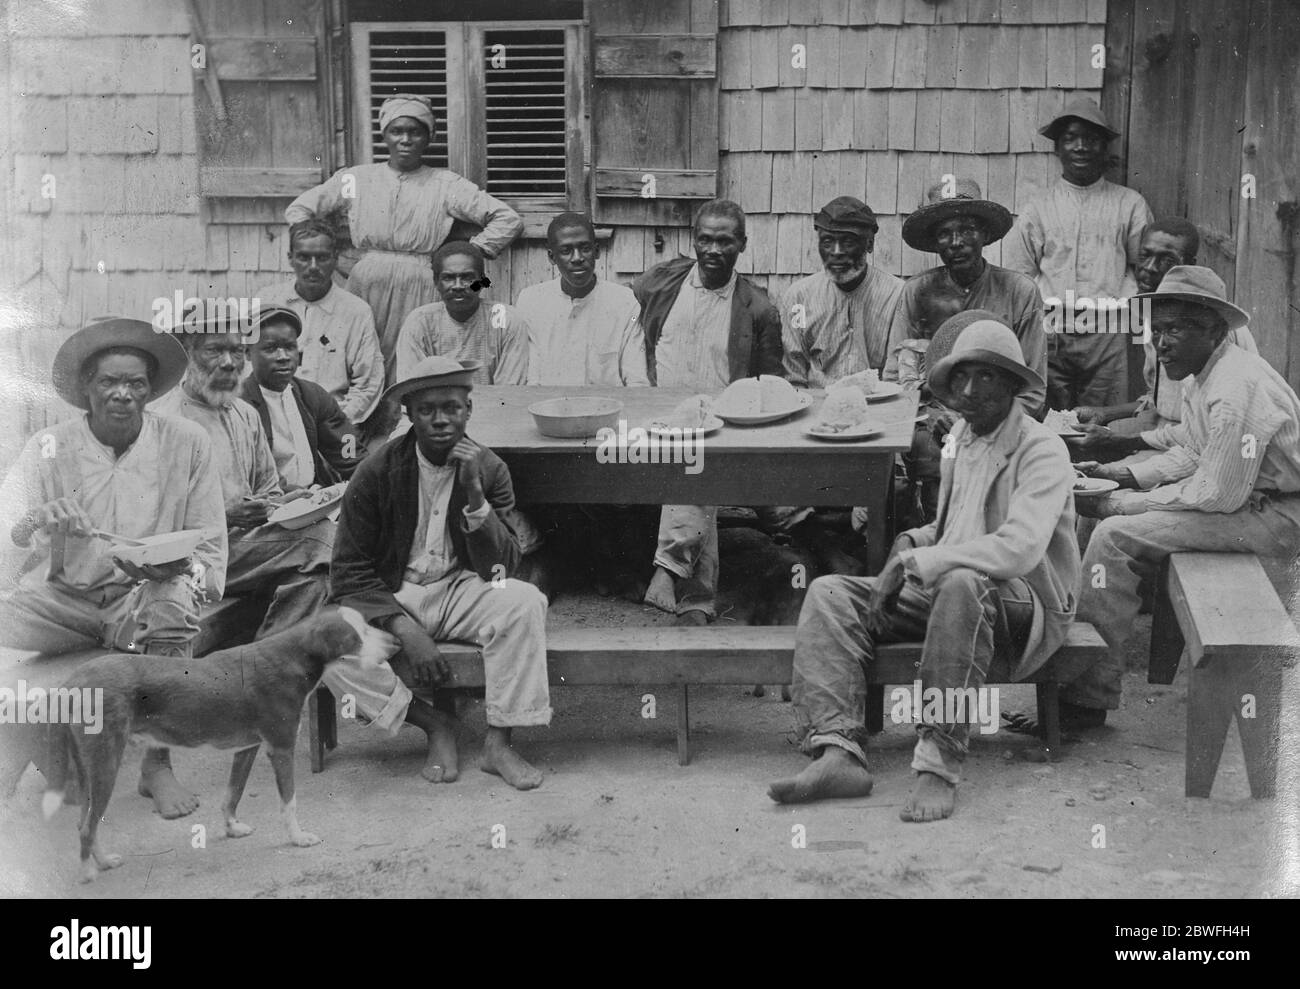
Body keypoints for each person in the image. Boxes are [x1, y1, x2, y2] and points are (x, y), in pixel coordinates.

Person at [768, 320, 1079, 821]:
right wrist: (910, 546)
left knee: (958, 583)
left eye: (988, 379)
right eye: (962, 378)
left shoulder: (1042, 449)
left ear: (1014, 386)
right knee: (830, 593)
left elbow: (1018, 550)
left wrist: (919, 561)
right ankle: (837, 750)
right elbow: (950, 528)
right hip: (961, 591)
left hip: (1026, 603)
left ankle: (938, 765)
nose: (970, 391)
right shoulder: (961, 435)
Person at [1053, 266, 1300, 728]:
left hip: (1279, 516)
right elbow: (1191, 450)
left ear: (1213, 329)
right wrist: (1120, 474)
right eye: (1157, 330)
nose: (1161, 343)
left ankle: (1084, 700)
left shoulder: (1236, 385)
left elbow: (1217, 493)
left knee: (1113, 534)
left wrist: (1120, 502)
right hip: (1248, 503)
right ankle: (1077, 671)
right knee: (1096, 521)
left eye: (1176, 329)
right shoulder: (1202, 373)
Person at [0, 318, 226, 818]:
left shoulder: (186, 442)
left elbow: (210, 546)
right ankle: (26, 744)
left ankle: (157, 766)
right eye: (108, 382)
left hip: (140, 605)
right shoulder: (48, 446)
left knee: (170, 606)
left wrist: (180, 575)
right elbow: (4, 537)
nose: (122, 394)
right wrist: (35, 519)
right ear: (86, 388)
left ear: (150, 390)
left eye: (135, 383)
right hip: (65, 606)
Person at [329, 356, 550, 789]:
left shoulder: (489, 468)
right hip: (394, 594)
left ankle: (499, 743)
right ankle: (434, 724)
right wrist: (405, 630)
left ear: (469, 409)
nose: (441, 420)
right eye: (427, 410)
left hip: (459, 589)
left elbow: (502, 567)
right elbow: (349, 570)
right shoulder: (377, 471)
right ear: (408, 415)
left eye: (451, 407)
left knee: (525, 601)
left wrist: (473, 493)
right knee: (329, 648)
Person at [285, 95, 523, 384]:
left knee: (411, 357)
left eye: (415, 131)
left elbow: (507, 219)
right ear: (384, 134)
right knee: (359, 351)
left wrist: (470, 251)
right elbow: (300, 209)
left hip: (420, 282)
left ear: (429, 137)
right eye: (397, 131)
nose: (406, 139)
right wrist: (327, 250)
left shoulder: (445, 184)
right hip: (366, 279)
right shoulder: (356, 179)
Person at [631, 199, 783, 623]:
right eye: (705, 239)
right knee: (692, 461)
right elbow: (629, 330)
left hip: (722, 427)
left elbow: (771, 385)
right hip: (657, 418)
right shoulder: (660, 284)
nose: (714, 249)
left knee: (697, 464)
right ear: (692, 240)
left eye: (725, 240)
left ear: (743, 245)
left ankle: (675, 576)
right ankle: (693, 596)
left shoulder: (758, 307)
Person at [152, 309, 334, 643]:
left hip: (246, 550)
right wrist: (224, 516)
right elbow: (155, 525)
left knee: (314, 580)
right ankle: (268, 667)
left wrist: (287, 504)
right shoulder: (166, 423)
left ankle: (264, 667)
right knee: (321, 539)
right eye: (214, 351)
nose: (228, 363)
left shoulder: (244, 414)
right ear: (185, 355)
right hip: (193, 560)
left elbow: (268, 491)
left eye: (237, 351)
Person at [887, 178, 1047, 523]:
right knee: (937, 468)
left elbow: (1034, 390)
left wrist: (976, 423)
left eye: (968, 230)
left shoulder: (1019, 292)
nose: (957, 243)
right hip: (933, 428)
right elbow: (895, 379)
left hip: (1001, 424)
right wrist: (932, 416)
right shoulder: (917, 293)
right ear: (934, 242)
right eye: (945, 233)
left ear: (985, 235)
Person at [1002, 97, 1153, 410]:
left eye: (1092, 139)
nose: (1081, 147)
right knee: (1049, 419)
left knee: (1102, 422)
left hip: (1107, 331)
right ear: (1058, 149)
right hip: (1052, 329)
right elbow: (1020, 278)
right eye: (1071, 139)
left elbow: (1145, 269)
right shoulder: (1038, 208)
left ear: (1104, 148)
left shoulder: (1130, 204)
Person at [1072, 220, 1256, 443]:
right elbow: (1160, 400)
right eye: (1145, 255)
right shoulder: (1156, 318)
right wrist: (1104, 413)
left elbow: (1210, 428)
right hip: (1163, 428)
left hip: (1198, 440)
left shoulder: (1208, 326)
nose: (1149, 267)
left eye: (1167, 260)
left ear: (1189, 263)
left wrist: (1119, 440)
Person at [255, 219, 385, 443]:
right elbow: (249, 366)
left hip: (331, 425)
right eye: (304, 257)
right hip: (273, 422)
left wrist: (336, 422)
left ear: (335, 258)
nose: (313, 266)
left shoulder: (355, 311)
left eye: (322, 257)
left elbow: (368, 383)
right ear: (290, 259)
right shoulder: (266, 301)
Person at [238, 306, 367, 490]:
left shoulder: (312, 395)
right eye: (270, 348)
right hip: (268, 507)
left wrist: (368, 480)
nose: (283, 357)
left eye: (290, 347)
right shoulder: (239, 406)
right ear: (248, 353)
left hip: (314, 500)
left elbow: (348, 451)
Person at [780, 196, 903, 386]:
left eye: (848, 242)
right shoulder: (799, 298)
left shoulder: (897, 295)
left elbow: (897, 376)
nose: (836, 252)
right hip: (818, 406)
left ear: (869, 244)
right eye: (828, 242)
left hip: (877, 407)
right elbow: (794, 376)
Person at [518, 212, 648, 387]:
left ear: (596, 251)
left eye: (585, 248)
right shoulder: (530, 302)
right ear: (551, 256)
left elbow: (636, 380)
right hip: (549, 408)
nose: (577, 258)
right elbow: (529, 379)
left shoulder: (625, 303)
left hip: (606, 410)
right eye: (566, 251)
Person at [395, 241, 529, 387]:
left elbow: (508, 393)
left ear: (482, 281)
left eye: (467, 277)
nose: (458, 286)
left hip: (494, 407)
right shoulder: (420, 322)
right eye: (448, 278)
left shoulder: (505, 319)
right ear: (436, 282)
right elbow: (411, 388)